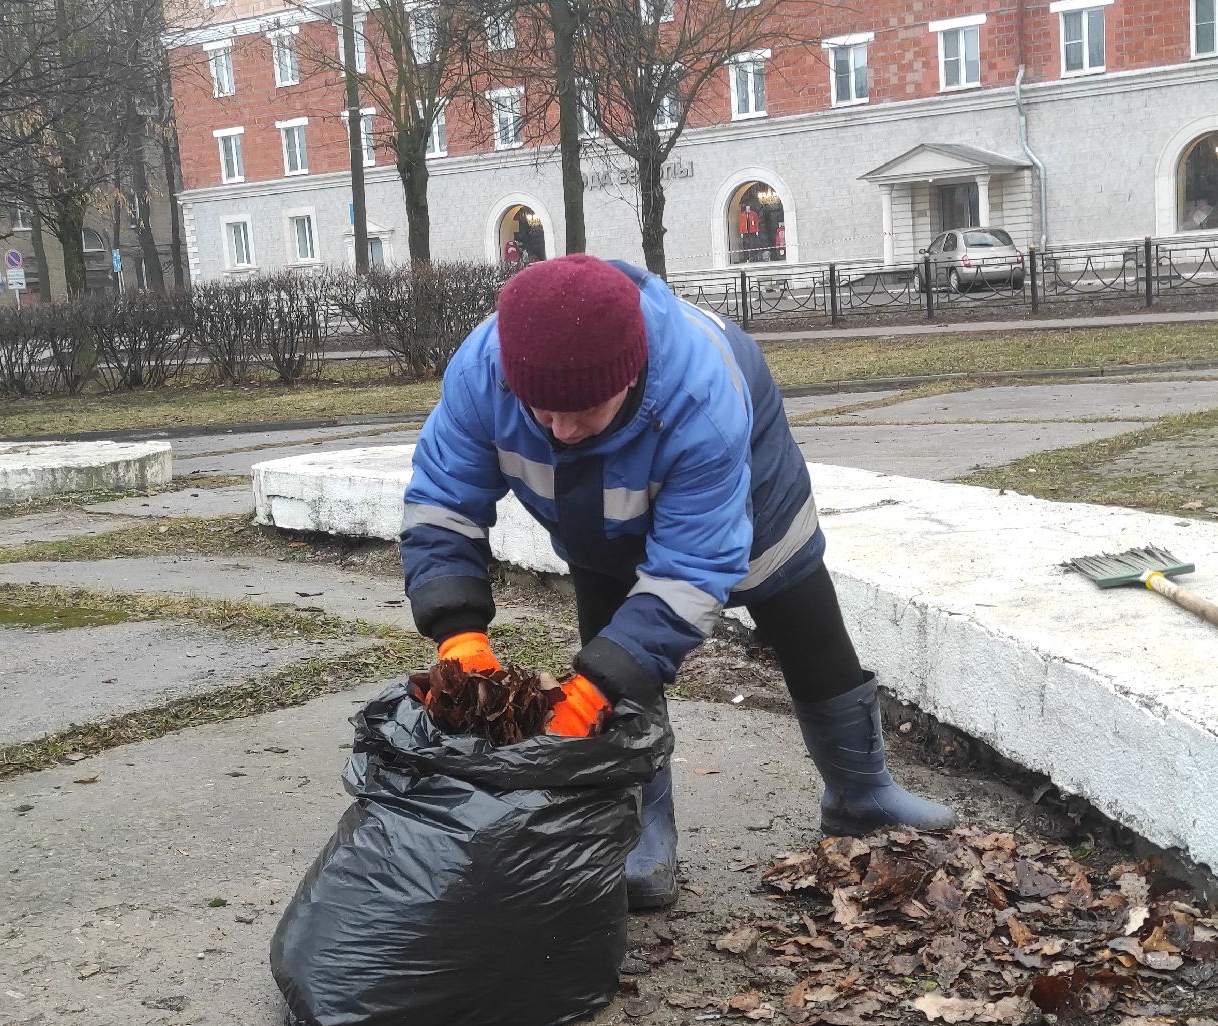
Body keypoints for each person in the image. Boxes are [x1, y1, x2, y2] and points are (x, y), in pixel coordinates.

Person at [399, 254, 958, 912]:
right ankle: (643, 836)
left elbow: (692, 569)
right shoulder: (484, 372)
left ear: (629, 375)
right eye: (542, 412)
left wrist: (598, 685)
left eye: (583, 411)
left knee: (808, 634)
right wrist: (457, 632)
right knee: (615, 658)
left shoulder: (700, 399)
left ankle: (861, 793)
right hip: (594, 524)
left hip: (749, 499)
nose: (562, 430)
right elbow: (441, 502)